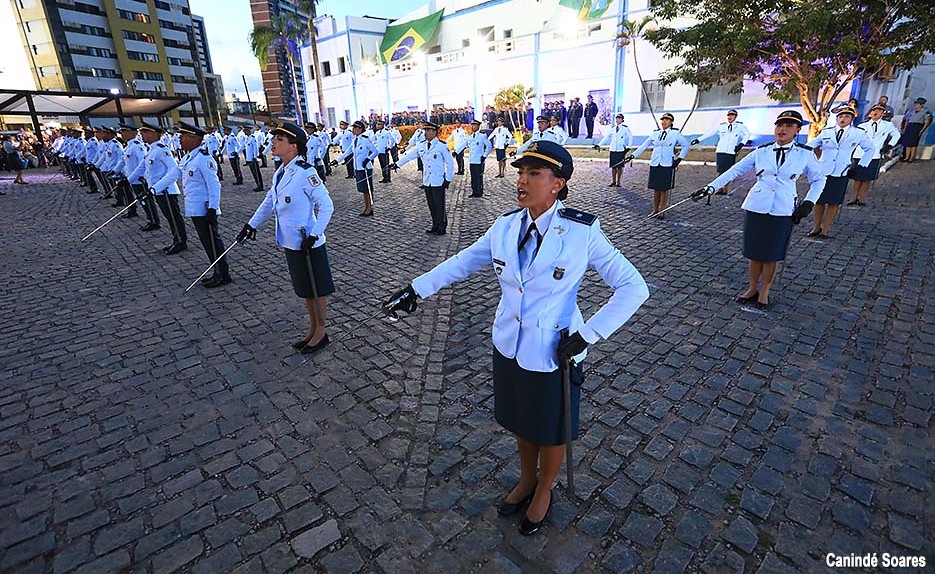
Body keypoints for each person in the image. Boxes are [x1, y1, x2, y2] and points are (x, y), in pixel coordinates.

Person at [383, 140, 648, 535]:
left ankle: (544, 489)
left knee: (551, 427)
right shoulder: (505, 226)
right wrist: (415, 289)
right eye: (521, 172)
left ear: (557, 184)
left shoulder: (582, 232)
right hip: (509, 344)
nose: (521, 181)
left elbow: (633, 287)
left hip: (555, 350)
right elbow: (463, 261)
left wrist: (588, 334)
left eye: (534, 174)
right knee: (522, 420)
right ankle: (526, 479)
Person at [691, 110, 826, 309]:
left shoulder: (805, 154)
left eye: (789, 126)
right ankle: (752, 288)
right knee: (754, 253)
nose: (782, 129)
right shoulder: (761, 151)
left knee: (772, 254)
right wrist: (710, 188)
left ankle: (765, 291)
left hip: (782, 209)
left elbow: (819, 179)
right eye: (779, 125)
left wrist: (809, 202)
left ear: (797, 130)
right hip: (757, 206)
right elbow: (735, 170)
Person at [237, 123, 335, 353]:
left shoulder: (305, 172)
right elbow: (269, 202)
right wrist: (251, 225)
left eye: (280, 139)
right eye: (274, 138)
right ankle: (313, 329)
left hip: (308, 241)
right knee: (305, 289)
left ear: (294, 146)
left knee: (317, 289)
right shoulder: (281, 171)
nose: (273, 142)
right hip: (292, 241)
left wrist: (314, 235)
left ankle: (321, 333)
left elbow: (327, 206)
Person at [803, 105, 875, 238]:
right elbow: (810, 145)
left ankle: (826, 229)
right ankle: (816, 227)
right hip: (823, 171)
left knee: (834, 202)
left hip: (841, 171)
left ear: (852, 119)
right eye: (840, 116)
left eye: (847, 116)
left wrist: (861, 166)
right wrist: (808, 159)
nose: (843, 119)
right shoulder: (827, 132)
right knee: (819, 200)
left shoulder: (858, 133)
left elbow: (870, 149)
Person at [178, 123, 231, 288]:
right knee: (206, 242)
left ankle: (223, 274)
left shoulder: (203, 159)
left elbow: (214, 185)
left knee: (212, 241)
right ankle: (217, 270)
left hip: (205, 208)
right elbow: (174, 174)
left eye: (183, 136)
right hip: (195, 208)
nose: (180, 139)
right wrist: (154, 189)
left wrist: (213, 208)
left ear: (194, 139)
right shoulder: (188, 158)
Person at [390, 121, 454, 235]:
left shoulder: (442, 146)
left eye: (428, 130)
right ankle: (435, 225)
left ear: (434, 132)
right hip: (427, 181)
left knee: (439, 205)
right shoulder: (422, 145)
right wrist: (397, 164)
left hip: (438, 180)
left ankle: (442, 226)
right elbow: (410, 156)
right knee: (431, 204)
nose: (425, 133)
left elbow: (450, 164)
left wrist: (448, 180)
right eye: (425, 130)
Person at [630, 112, 691, 219]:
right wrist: (633, 155)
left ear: (671, 122)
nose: (664, 122)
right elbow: (644, 145)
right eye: (663, 120)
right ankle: (655, 210)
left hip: (667, 164)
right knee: (656, 188)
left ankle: (662, 211)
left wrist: (679, 159)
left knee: (664, 189)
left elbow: (686, 145)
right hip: (655, 163)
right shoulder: (655, 133)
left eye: (667, 120)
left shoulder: (675, 133)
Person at [140, 122, 186, 254]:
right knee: (169, 217)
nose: (142, 135)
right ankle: (176, 239)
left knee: (174, 217)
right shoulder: (151, 150)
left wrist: (161, 186)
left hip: (166, 191)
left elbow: (173, 169)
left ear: (154, 134)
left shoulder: (162, 150)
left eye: (145, 132)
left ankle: (180, 241)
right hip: (158, 191)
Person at [847, 104, 900, 207]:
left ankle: (862, 199)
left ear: (882, 113)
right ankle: (853, 198)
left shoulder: (887, 125)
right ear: (870, 113)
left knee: (867, 178)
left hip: (875, 155)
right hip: (860, 154)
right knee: (857, 178)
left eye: (879, 111)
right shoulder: (862, 125)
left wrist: (889, 145)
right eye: (874, 110)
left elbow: (896, 135)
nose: (876, 112)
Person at [690, 109, 751, 195]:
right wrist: (698, 140)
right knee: (720, 170)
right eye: (729, 115)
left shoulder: (739, 126)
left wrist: (741, 144)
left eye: (732, 115)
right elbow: (710, 133)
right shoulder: (722, 126)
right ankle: (720, 187)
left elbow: (748, 134)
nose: (730, 116)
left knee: (728, 171)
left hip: (731, 151)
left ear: (735, 117)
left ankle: (725, 188)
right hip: (721, 150)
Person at [333, 120, 379, 217]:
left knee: (368, 189)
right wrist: (337, 160)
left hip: (365, 168)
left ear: (360, 129)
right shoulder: (355, 140)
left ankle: (370, 208)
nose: (353, 129)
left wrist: (368, 159)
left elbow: (375, 151)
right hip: (358, 168)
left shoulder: (365, 140)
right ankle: (366, 207)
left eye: (355, 127)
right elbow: (348, 152)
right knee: (363, 189)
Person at [594, 113, 632, 187]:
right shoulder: (613, 129)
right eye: (617, 118)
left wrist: (629, 147)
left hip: (620, 150)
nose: (617, 120)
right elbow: (606, 137)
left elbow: (630, 137)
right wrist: (599, 145)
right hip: (613, 149)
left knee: (620, 166)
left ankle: (618, 182)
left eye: (619, 118)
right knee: (613, 166)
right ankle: (613, 181)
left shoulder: (625, 129)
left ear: (622, 120)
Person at [464, 119, 493, 197]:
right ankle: (474, 191)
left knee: (479, 177)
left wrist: (484, 156)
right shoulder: (470, 137)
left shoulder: (482, 136)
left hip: (479, 160)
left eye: (474, 125)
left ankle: (479, 192)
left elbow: (489, 146)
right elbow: (464, 144)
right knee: (473, 177)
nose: (473, 127)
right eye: (472, 125)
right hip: (472, 160)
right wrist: (456, 152)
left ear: (478, 126)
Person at [899, 97, 932, 163]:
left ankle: (912, 157)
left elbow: (927, 121)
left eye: (917, 104)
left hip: (917, 126)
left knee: (914, 143)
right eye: (915, 104)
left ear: (921, 105)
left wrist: (922, 130)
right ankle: (907, 157)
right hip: (910, 126)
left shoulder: (925, 112)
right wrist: (905, 128)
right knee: (907, 142)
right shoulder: (912, 111)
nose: (916, 105)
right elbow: (907, 120)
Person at [243, 125, 264, 192]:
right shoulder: (247, 138)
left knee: (257, 173)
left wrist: (255, 157)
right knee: (254, 173)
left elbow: (256, 148)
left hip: (253, 159)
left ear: (249, 131)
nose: (244, 132)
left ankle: (260, 186)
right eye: (244, 131)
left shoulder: (252, 138)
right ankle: (258, 185)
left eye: (246, 131)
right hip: (249, 159)